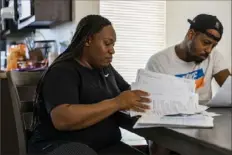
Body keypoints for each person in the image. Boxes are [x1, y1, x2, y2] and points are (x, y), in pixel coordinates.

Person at [28, 14, 151, 155]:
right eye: (107, 43)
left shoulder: (105, 69)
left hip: (103, 147)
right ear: (88, 40)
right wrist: (116, 103)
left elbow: (127, 93)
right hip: (60, 146)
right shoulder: (62, 71)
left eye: (113, 45)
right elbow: (62, 119)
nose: (112, 50)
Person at [146, 14, 231, 155]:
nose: (209, 50)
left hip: (204, 118)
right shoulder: (158, 62)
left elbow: (228, 85)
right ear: (191, 34)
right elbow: (154, 107)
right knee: (159, 139)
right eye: (205, 42)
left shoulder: (214, 57)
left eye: (213, 45)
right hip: (170, 119)